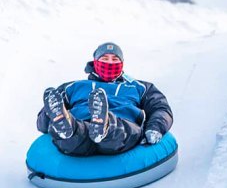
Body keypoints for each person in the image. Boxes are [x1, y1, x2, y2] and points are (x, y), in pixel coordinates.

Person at [36, 43, 173, 156]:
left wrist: (155, 127)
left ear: (122, 63)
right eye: (104, 59)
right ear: (95, 62)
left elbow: (160, 108)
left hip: (122, 124)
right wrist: (51, 119)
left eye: (115, 59)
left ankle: (105, 124)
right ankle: (67, 127)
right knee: (77, 132)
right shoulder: (73, 87)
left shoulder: (139, 87)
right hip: (81, 121)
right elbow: (42, 121)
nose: (109, 63)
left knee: (120, 131)